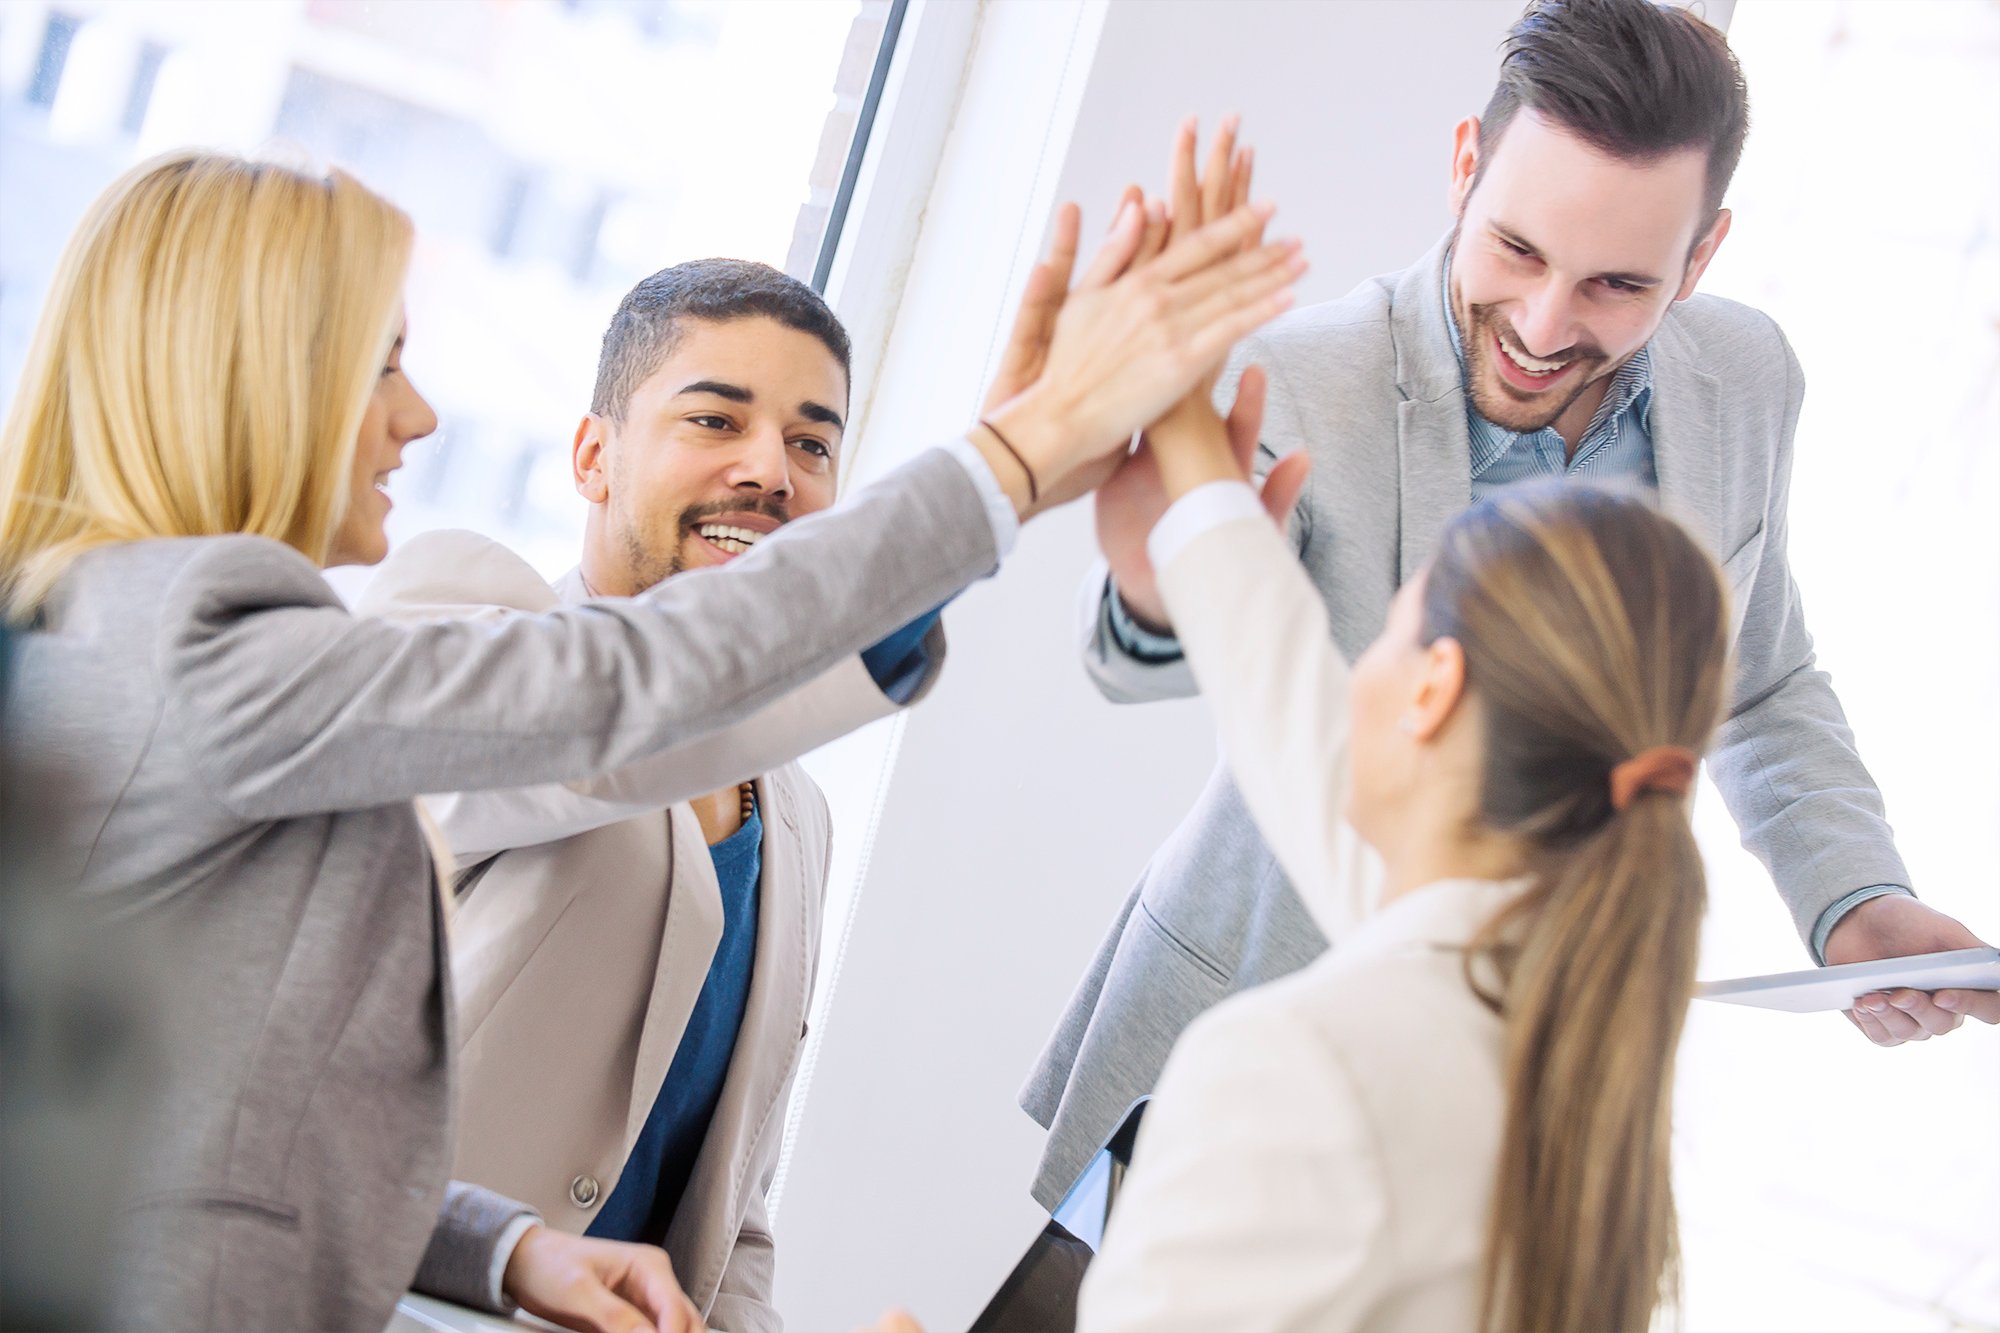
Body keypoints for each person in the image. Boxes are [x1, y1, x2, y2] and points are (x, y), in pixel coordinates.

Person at [0, 149, 1300, 1331]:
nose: (419, 415)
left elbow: (243, 1124)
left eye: (810, 440)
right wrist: (1016, 457)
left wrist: (508, 1249)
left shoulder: (146, 643)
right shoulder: (215, 641)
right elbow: (635, 692)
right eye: (383, 360)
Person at [1023, 0, 1996, 1210]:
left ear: (1701, 257)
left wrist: (1854, 895)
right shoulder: (1299, 379)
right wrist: (1158, 588)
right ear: (1461, 169)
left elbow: (1757, 674)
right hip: (1247, 1052)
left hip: (1533, 1088)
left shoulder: (1748, 380)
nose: (1543, 328)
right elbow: (1142, 653)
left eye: (1615, 284)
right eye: (1517, 252)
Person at [358, 259, 955, 1332]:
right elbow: (602, 734)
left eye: (812, 443)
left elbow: (729, 1213)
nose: (770, 470)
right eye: (716, 420)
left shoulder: (798, 819)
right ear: (595, 456)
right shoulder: (459, 638)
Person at [1075, 371, 1732, 1330]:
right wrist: (1196, 492)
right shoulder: (1572, 1055)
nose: (1354, 680)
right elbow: (1293, 722)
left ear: (1433, 689)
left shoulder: (1300, 1065)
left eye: (1384, 635)